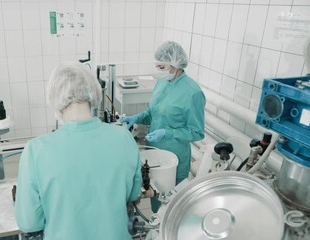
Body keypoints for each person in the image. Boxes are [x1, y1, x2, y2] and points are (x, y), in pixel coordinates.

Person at [15, 63, 142, 240]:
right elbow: (134, 193)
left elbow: (29, 222)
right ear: (93, 94)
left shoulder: (36, 150)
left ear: (55, 98)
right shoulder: (123, 138)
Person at [120, 41, 205, 212]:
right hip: (155, 155)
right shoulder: (162, 82)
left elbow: (197, 132)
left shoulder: (192, 92)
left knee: (170, 207)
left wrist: (167, 133)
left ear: (175, 64)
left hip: (175, 159)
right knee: (155, 201)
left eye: (161, 66)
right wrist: (137, 117)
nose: (158, 69)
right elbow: (153, 112)